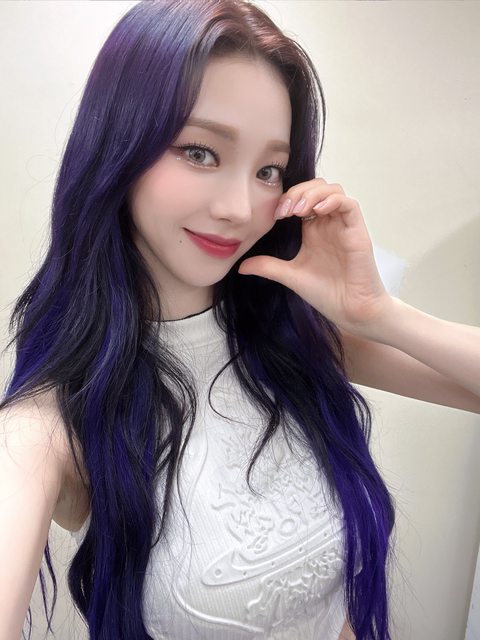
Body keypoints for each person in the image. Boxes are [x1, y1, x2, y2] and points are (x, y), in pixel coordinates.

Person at [0, 1, 478, 639]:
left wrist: (378, 314)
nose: (240, 207)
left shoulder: (295, 338)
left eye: (268, 171)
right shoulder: (51, 423)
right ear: (118, 147)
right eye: (199, 152)